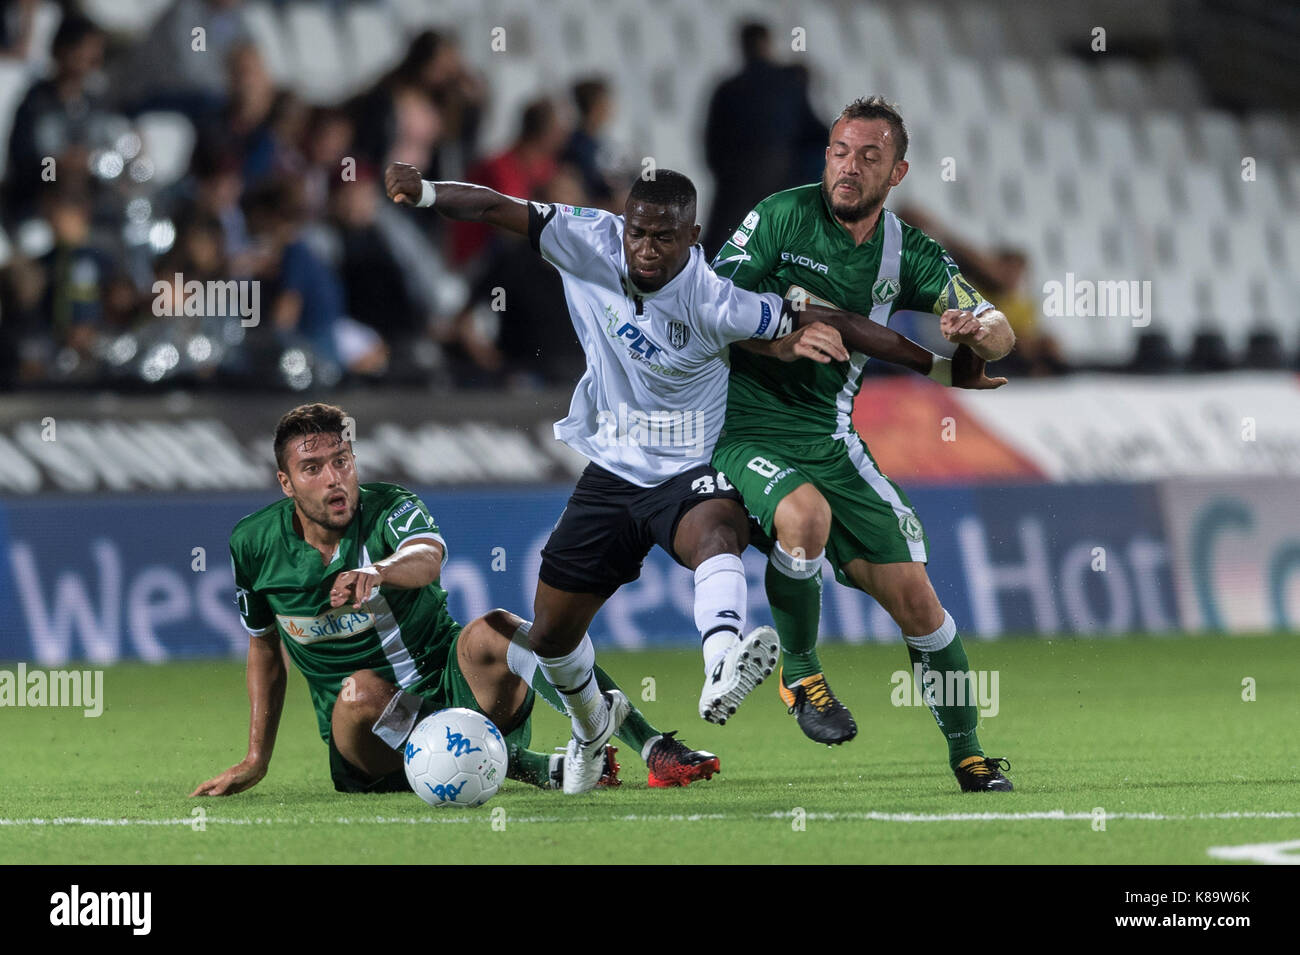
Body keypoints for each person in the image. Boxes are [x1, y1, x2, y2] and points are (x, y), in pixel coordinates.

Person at [384, 161, 1005, 793]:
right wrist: (428, 192)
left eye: (662, 237)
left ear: (694, 236)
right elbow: (494, 207)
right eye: (637, 232)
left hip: (689, 467)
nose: (645, 249)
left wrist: (939, 368)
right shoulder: (586, 238)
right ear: (623, 225)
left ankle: (721, 666)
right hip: (611, 470)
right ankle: (592, 736)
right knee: (549, 636)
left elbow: (837, 321)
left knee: (718, 533)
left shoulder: (715, 298)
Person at [710, 96, 1017, 791]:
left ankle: (969, 755)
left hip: (833, 439)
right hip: (744, 428)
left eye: (868, 156)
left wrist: (975, 331)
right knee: (805, 517)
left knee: (919, 601)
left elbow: (999, 331)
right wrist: (784, 341)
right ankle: (801, 673)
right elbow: (704, 310)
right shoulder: (780, 216)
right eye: (840, 152)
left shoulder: (907, 251)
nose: (849, 167)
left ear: (898, 170)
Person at [192, 403, 722, 798]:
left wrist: (376, 573)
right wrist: (256, 758)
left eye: (342, 460)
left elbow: (427, 556)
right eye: (313, 469)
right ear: (285, 483)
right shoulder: (253, 544)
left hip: (454, 685)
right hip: (371, 735)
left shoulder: (390, 507)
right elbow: (263, 647)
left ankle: (655, 748)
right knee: (358, 692)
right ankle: (531, 767)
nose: (335, 479)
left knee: (496, 628)